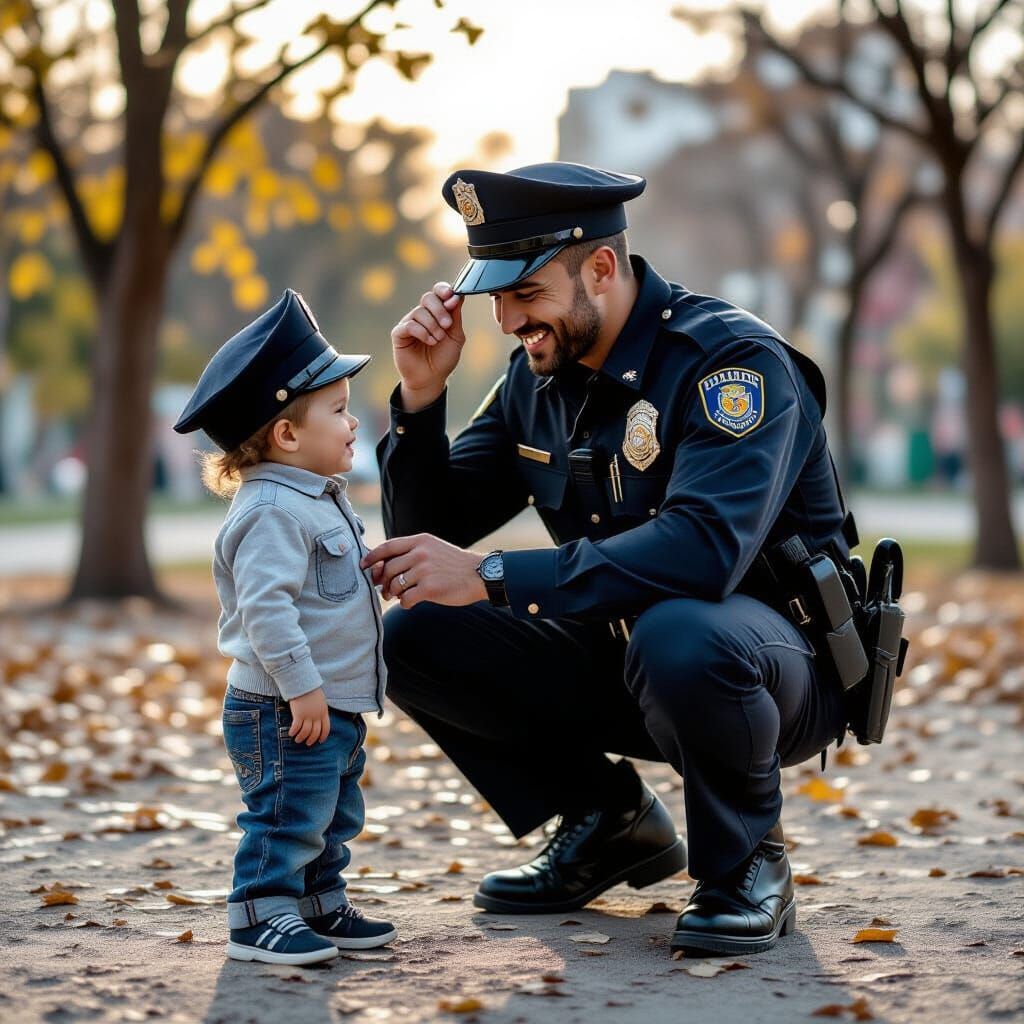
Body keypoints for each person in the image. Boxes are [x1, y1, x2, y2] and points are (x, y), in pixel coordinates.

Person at [363, 162, 857, 957]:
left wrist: (492, 576)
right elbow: (426, 544)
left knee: (682, 631)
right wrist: (420, 401)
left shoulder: (730, 365)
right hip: (630, 655)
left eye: (526, 294)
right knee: (415, 632)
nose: (507, 320)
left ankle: (747, 865)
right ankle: (607, 822)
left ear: (600, 266)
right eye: (496, 298)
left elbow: (702, 553)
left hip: (771, 667)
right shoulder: (538, 380)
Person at [173, 289, 396, 965]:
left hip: (327, 704)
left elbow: (318, 591)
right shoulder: (271, 509)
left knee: (330, 815)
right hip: (284, 706)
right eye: (338, 410)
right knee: (286, 815)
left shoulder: (316, 498)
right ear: (286, 434)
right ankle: (259, 913)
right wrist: (302, 688)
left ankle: (317, 902)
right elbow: (267, 610)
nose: (354, 423)